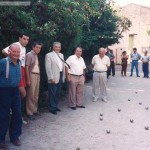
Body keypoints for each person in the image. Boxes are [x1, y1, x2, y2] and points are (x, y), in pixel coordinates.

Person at [2, 32, 29, 124]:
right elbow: (3, 51)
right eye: (24, 39)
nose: (26, 41)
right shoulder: (15, 45)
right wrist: (13, 60)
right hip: (15, 69)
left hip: (20, 70)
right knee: (23, 93)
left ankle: (15, 113)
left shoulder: (24, 48)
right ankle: (13, 110)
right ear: (20, 38)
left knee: (21, 94)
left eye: (27, 39)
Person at [0, 44, 22, 149]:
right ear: (9, 51)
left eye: (18, 52)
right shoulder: (3, 62)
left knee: (17, 113)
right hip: (4, 91)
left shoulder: (19, 62)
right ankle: (1, 139)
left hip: (15, 91)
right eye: (14, 51)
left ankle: (15, 137)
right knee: (4, 115)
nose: (16, 54)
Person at [45, 42, 65, 115]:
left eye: (59, 47)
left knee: (57, 92)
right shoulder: (49, 55)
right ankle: (52, 108)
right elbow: (48, 67)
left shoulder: (61, 55)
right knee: (52, 93)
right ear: (53, 47)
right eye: (56, 47)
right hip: (53, 76)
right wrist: (50, 77)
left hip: (60, 74)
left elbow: (63, 66)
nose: (57, 48)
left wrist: (63, 76)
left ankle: (55, 106)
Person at [25, 42, 42, 120]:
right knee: (30, 94)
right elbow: (27, 67)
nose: (38, 49)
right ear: (33, 47)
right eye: (37, 47)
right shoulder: (29, 54)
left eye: (39, 48)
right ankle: (29, 112)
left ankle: (34, 110)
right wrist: (28, 79)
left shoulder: (36, 55)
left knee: (36, 94)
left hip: (37, 75)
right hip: (31, 75)